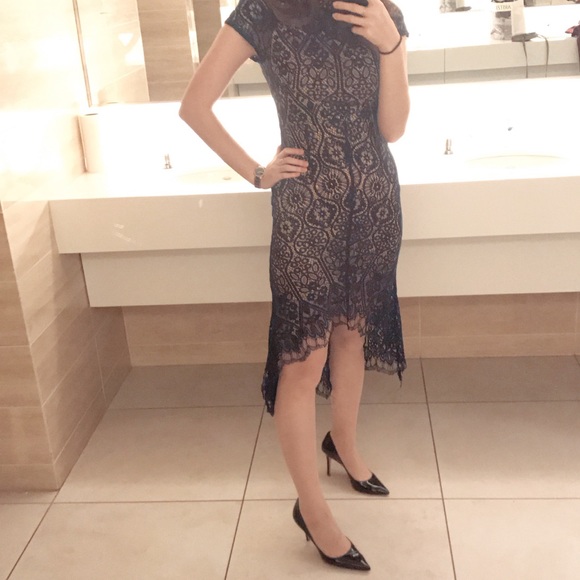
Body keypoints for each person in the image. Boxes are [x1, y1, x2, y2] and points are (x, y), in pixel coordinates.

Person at [179, 0, 409, 571]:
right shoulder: (263, 10)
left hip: (375, 204)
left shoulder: (379, 9)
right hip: (307, 214)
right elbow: (194, 105)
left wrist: (392, 45)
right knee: (304, 362)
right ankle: (312, 511)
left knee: (353, 335)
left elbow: (393, 128)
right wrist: (257, 172)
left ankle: (344, 447)